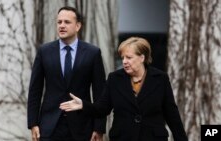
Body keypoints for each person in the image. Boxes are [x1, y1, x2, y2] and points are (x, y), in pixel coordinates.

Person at [60, 37, 188, 141]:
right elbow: (102, 109)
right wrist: (83, 105)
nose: (125, 61)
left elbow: (172, 114)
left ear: (142, 58)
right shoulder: (115, 79)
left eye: (129, 57)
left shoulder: (160, 79)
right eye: (123, 58)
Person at [27, 6, 106, 141]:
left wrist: (98, 128)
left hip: (82, 127)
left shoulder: (92, 53)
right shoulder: (44, 51)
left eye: (67, 22)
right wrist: (33, 123)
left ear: (78, 26)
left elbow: (100, 93)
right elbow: (35, 90)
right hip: (49, 127)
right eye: (59, 22)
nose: (62, 26)